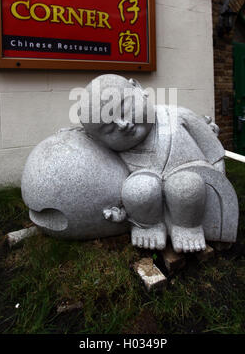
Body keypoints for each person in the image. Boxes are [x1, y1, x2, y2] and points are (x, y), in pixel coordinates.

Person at [79, 74, 226, 253]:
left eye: (125, 108)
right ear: (100, 141)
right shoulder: (115, 154)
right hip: (149, 203)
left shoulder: (177, 115)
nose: (123, 124)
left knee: (186, 185)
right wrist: (122, 213)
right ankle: (148, 227)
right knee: (138, 188)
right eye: (109, 129)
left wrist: (220, 183)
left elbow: (212, 150)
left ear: (138, 88)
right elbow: (114, 188)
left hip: (195, 190)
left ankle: (188, 227)